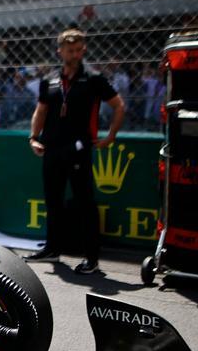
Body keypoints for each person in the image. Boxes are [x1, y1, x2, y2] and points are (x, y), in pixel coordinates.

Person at [27, 28, 125, 275]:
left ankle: (91, 258)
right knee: (53, 200)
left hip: (79, 149)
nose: (75, 54)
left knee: (85, 203)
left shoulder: (94, 78)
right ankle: (52, 248)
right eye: (70, 50)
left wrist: (111, 136)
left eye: (79, 50)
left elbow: (118, 105)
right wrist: (33, 137)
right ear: (60, 51)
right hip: (52, 148)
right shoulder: (49, 79)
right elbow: (41, 110)